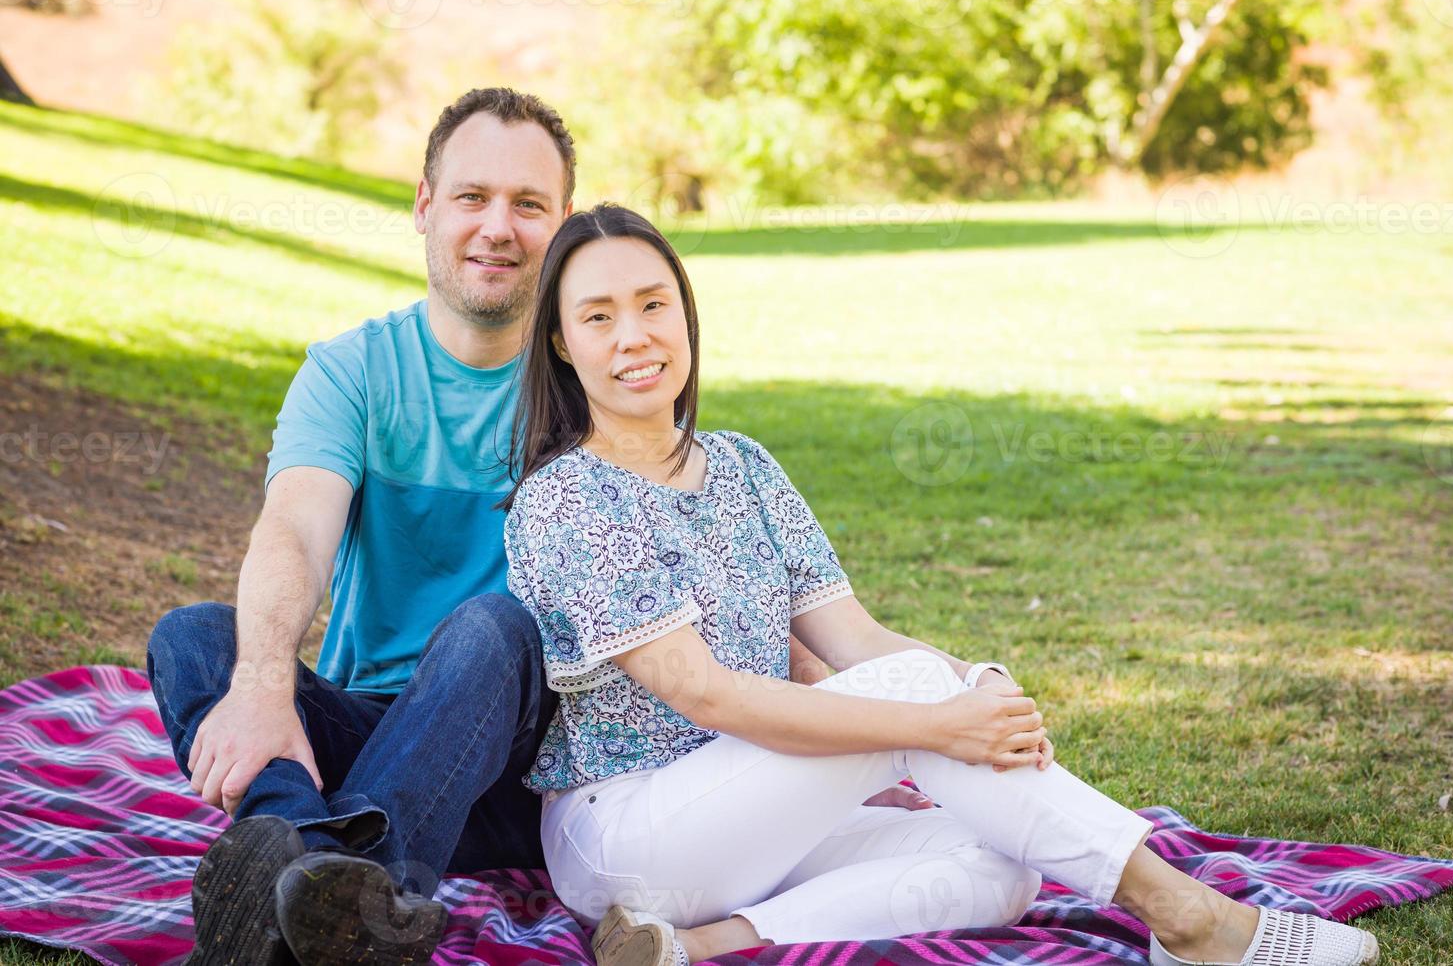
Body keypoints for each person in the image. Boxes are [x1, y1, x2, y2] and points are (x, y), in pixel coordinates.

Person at [146, 89, 927, 966]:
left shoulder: (596, 381)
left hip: (539, 766)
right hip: (374, 739)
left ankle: (338, 881)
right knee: (195, 639)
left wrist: (844, 746)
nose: (497, 227)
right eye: (472, 198)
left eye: (528, 206)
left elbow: (741, 583)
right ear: (424, 206)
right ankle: (312, 877)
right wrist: (259, 687)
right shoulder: (353, 372)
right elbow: (292, 532)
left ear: (558, 232)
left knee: (496, 625)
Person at [499, 203, 1383, 966]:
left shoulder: (744, 466)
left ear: (685, 314)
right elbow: (708, 694)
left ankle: (695, 946)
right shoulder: (568, 498)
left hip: (750, 830)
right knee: (926, 704)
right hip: (629, 833)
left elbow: (859, 641)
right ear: (563, 343)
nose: (635, 337)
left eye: (654, 305)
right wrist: (933, 720)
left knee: (1005, 864)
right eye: (601, 316)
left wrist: (978, 689)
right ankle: (1189, 916)